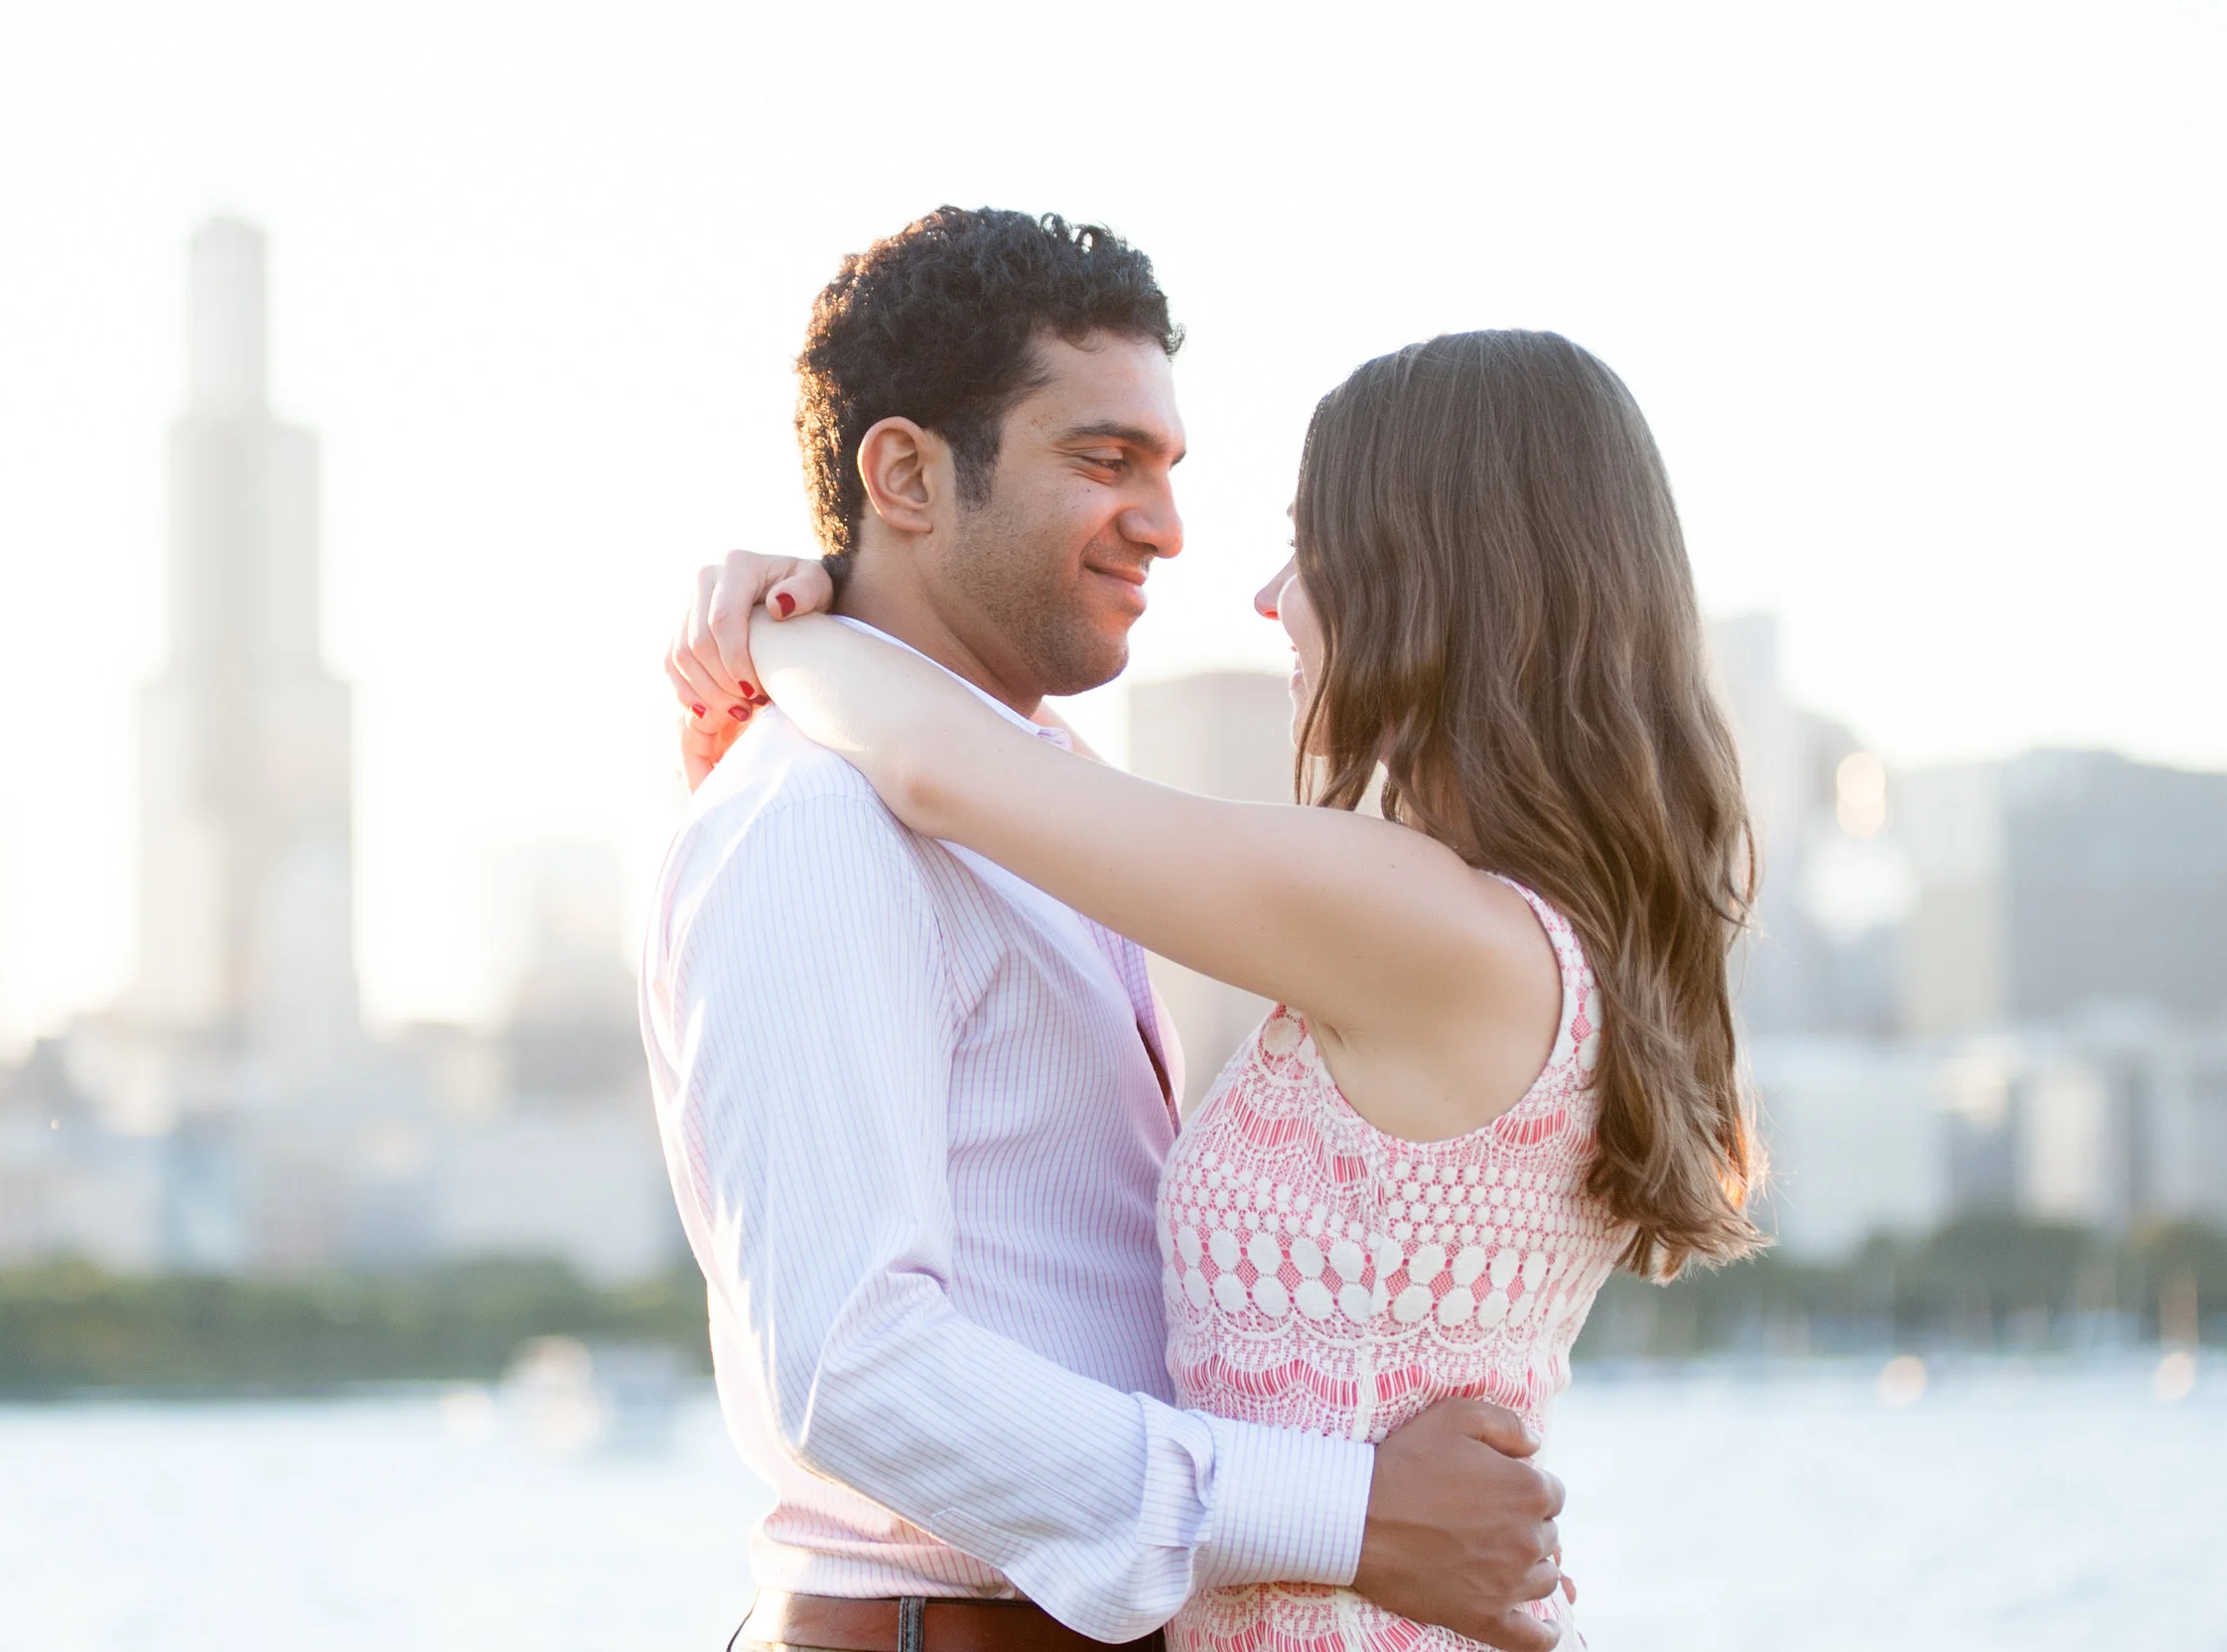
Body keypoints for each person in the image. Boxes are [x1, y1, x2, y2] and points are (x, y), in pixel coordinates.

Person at [642, 209, 1589, 1652]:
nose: (1165, 523)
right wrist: (1350, 1513)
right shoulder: (820, 819)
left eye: (1165, 466)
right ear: (904, 474)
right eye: (1103, 461)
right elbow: (851, 1371)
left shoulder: (1049, 805)